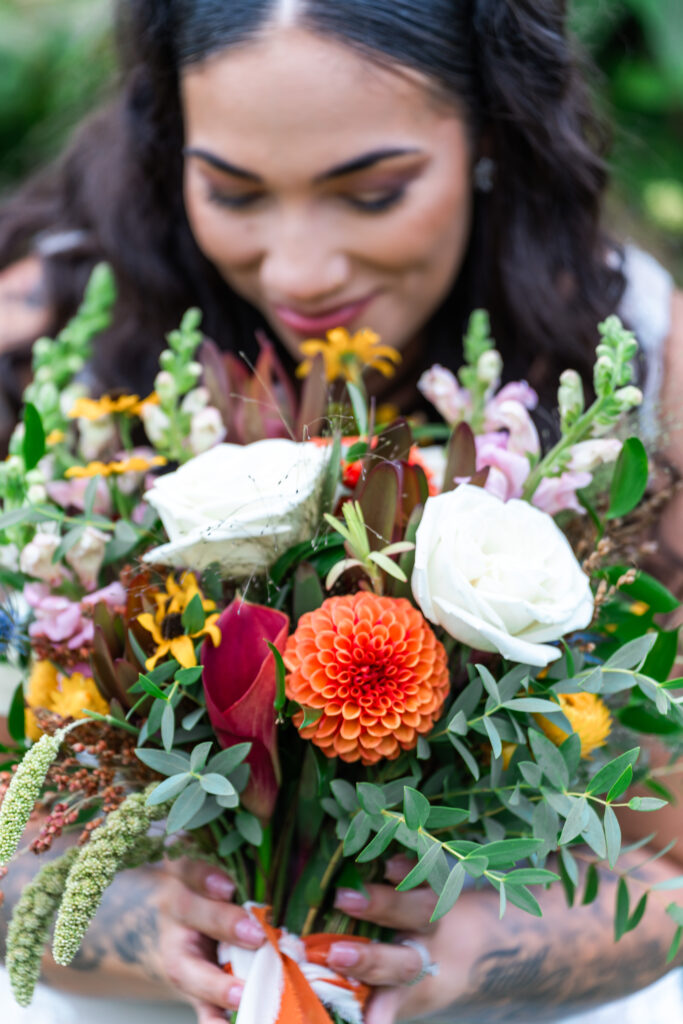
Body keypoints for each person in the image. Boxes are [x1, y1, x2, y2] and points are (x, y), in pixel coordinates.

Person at [1, 1, 683, 1022]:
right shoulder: (41, 344)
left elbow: (662, 846)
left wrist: (487, 951)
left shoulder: (636, 371)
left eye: (371, 193)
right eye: (231, 192)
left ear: (491, 132)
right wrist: (148, 929)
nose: (298, 272)